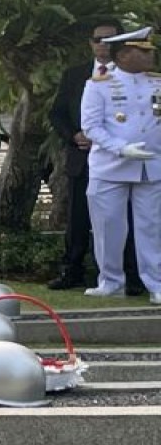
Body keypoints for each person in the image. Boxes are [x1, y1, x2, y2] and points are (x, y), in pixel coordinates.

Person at [47, 20, 144, 294]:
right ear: (90, 43)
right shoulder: (75, 75)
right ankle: (72, 270)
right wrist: (73, 135)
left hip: (119, 160)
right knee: (78, 219)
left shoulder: (133, 76)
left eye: (109, 39)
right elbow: (57, 113)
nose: (103, 44)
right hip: (82, 159)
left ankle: (131, 276)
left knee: (125, 220)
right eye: (98, 39)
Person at [80, 26, 161, 304]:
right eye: (144, 51)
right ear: (124, 54)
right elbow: (91, 126)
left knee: (152, 227)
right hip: (110, 165)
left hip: (151, 165)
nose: (151, 55)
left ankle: (157, 283)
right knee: (108, 227)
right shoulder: (98, 85)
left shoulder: (157, 82)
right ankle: (110, 281)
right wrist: (121, 148)